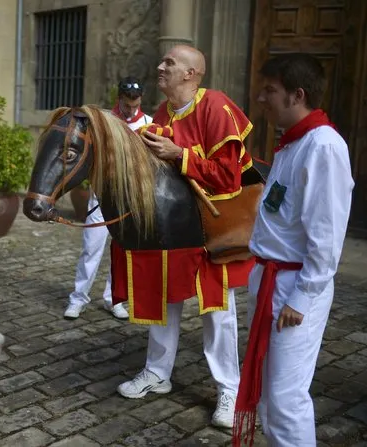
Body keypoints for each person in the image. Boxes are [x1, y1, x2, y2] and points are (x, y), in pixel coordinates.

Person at [116, 45, 254, 429]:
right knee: (166, 294)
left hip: (216, 229)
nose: (160, 68)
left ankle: (230, 388)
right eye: (163, 62)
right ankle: (157, 372)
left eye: (169, 64)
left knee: (218, 312)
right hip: (174, 226)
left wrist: (180, 154)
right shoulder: (161, 112)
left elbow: (228, 176)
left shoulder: (216, 106)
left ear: (192, 74)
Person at [233, 54, 354, 446]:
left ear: (297, 95)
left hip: (294, 287)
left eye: (270, 90)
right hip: (269, 279)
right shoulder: (291, 144)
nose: (260, 98)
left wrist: (301, 297)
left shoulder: (323, 146)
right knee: (270, 391)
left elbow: (327, 235)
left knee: (285, 398)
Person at [64, 77, 152, 320]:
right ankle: (78, 298)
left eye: (135, 104)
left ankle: (114, 298)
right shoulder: (102, 122)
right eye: (126, 104)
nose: (131, 109)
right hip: (102, 197)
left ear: (141, 100)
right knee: (91, 249)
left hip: (129, 200)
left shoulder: (149, 124)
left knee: (122, 252)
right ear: (119, 99)